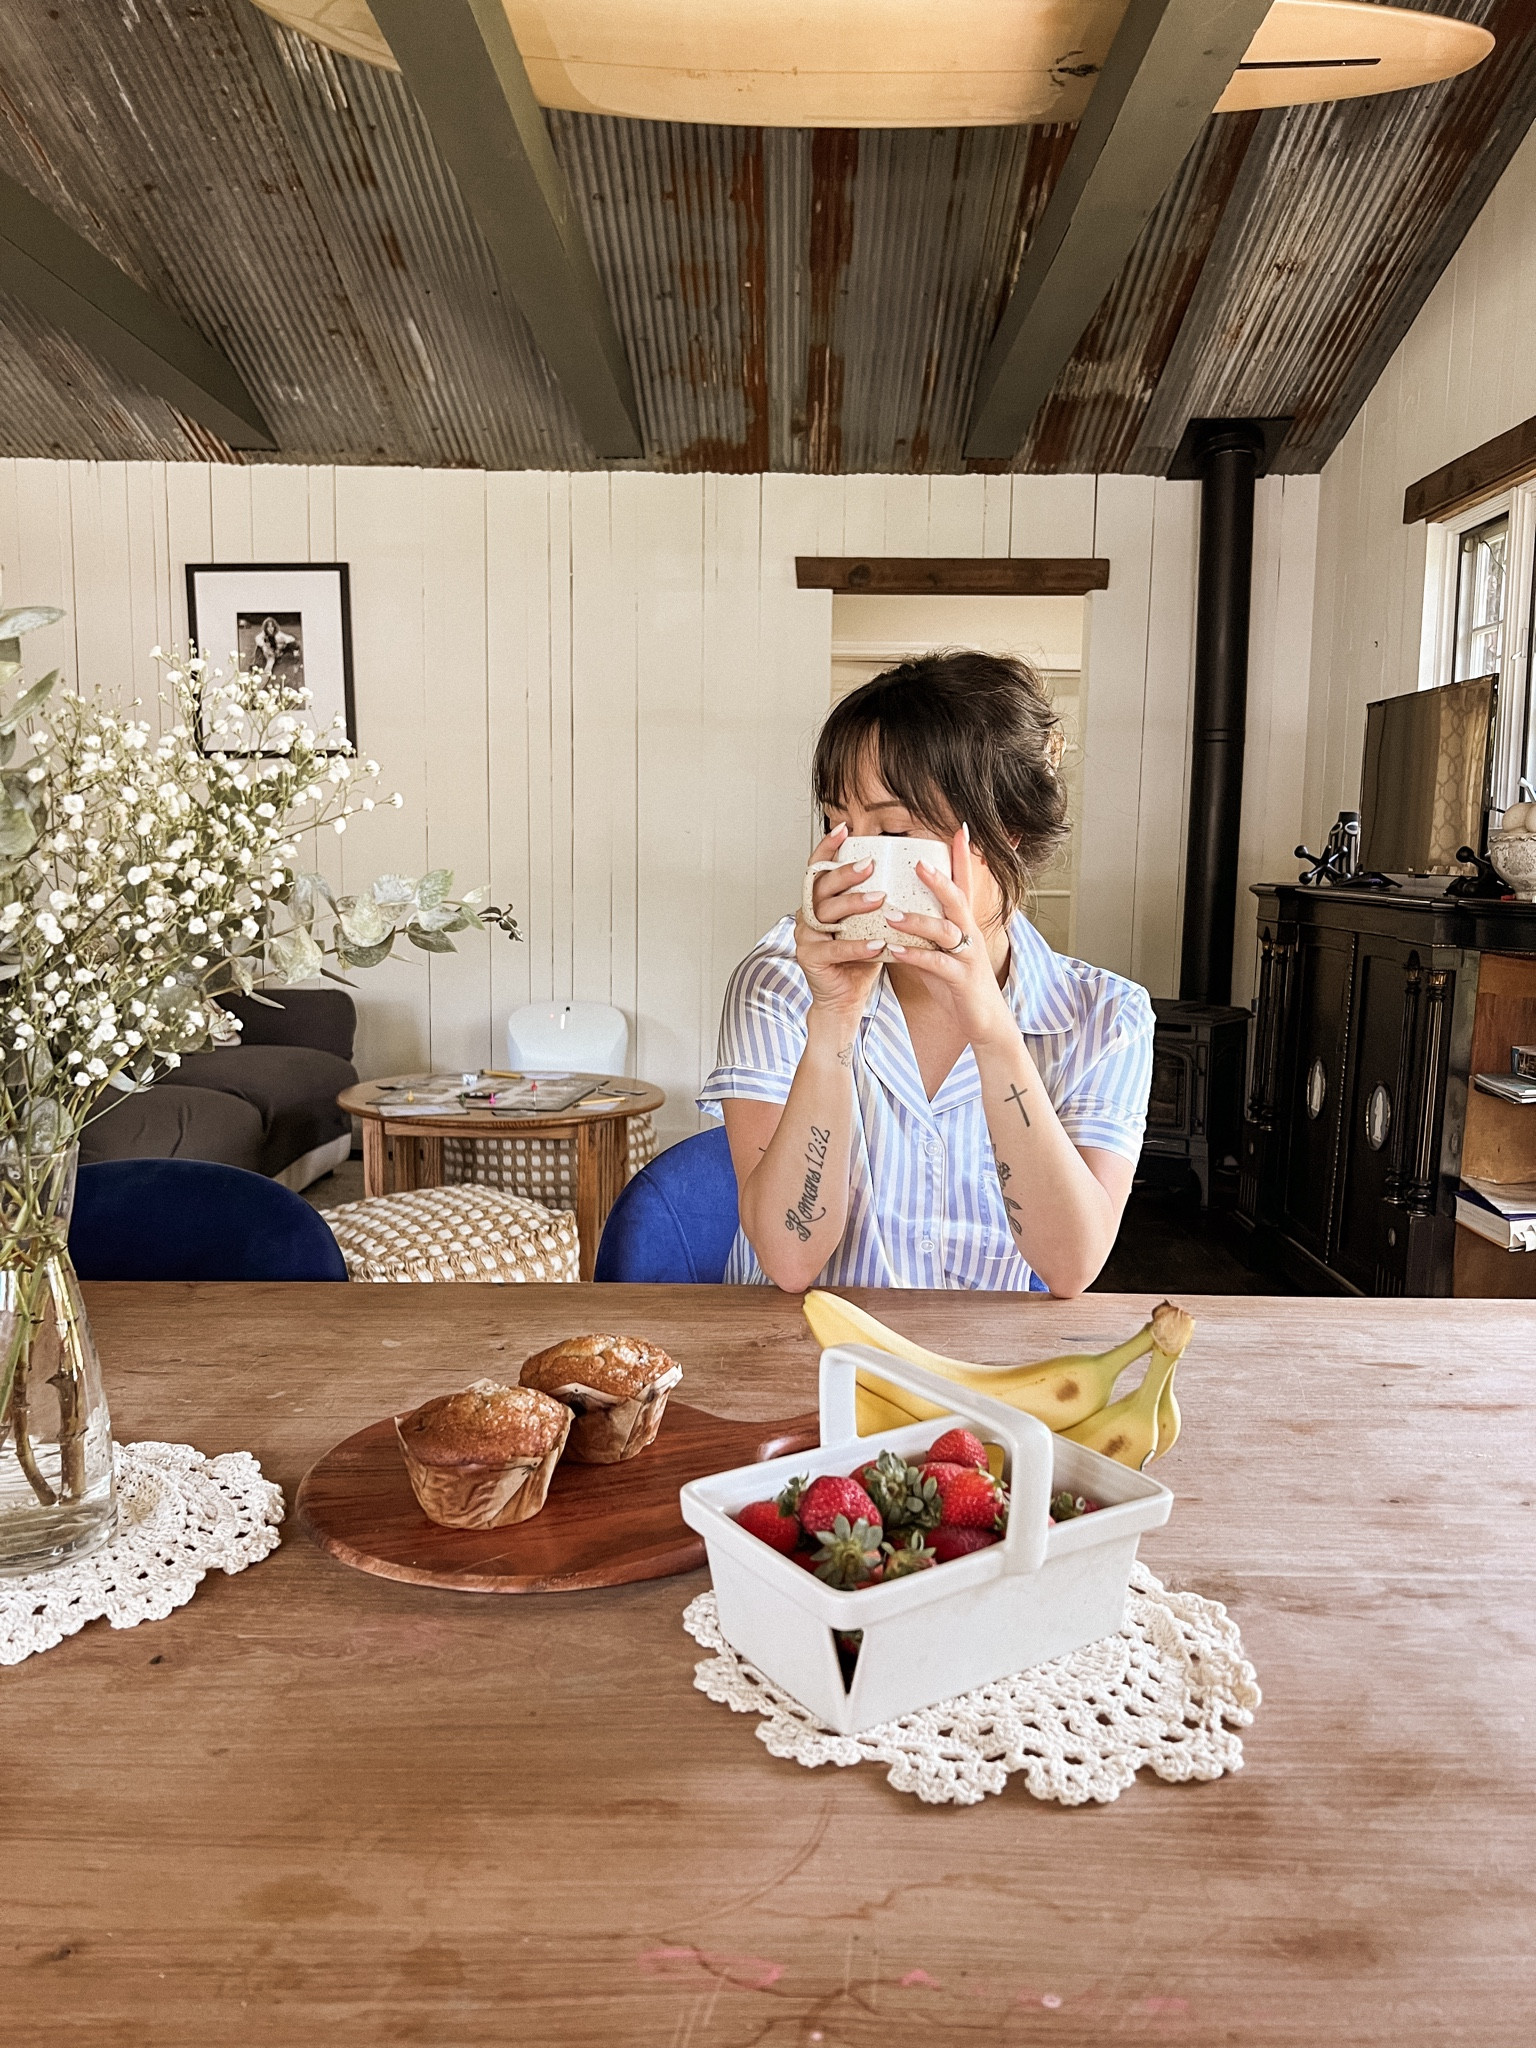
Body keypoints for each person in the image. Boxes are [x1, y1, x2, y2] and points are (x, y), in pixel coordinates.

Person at [698, 651, 1153, 1295]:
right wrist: (832, 1022)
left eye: (892, 830)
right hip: (800, 1344)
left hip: (985, 1355)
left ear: (1005, 829)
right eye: (837, 824)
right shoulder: (779, 982)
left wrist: (992, 1030)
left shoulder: (1106, 1016)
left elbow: (1070, 1267)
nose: (854, 861)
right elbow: (788, 1259)